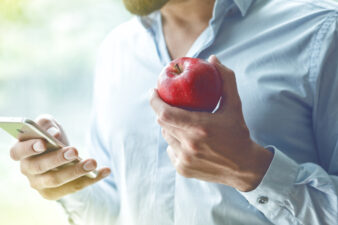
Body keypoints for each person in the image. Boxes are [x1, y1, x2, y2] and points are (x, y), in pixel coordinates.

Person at [9, 0, 338, 224]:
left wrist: (251, 171)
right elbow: (119, 211)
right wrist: (71, 184)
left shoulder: (321, 36)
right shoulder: (118, 50)